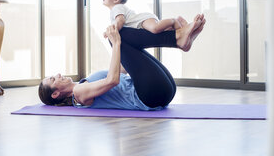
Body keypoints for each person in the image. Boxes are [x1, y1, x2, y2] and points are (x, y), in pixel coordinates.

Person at [38, 15, 206, 110]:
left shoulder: (84, 83)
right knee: (120, 36)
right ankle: (177, 38)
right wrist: (116, 43)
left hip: (160, 91)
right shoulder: (79, 93)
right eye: (53, 79)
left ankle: (178, 38)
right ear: (55, 94)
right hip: (150, 95)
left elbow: (123, 70)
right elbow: (113, 80)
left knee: (123, 37)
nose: (58, 74)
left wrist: (128, 49)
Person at [103, 0, 187, 37]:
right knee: (161, 32)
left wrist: (111, 32)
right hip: (140, 24)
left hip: (142, 20)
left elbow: (120, 21)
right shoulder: (115, 10)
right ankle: (175, 25)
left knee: (155, 28)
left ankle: (173, 21)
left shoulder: (117, 7)